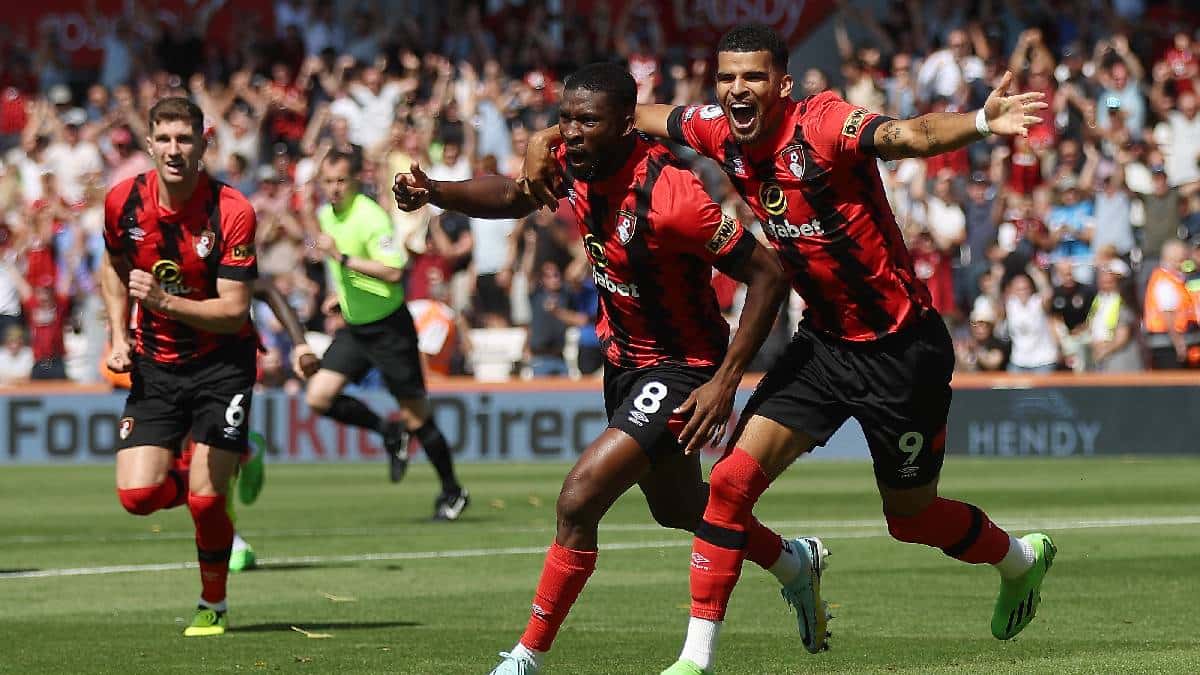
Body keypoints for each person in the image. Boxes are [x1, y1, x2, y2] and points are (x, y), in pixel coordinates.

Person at [523, 23, 1056, 673]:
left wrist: (978, 120)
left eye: (752, 77)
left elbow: (909, 135)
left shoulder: (826, 123)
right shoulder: (717, 129)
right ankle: (695, 660)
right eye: (727, 78)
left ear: (780, 83)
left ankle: (1020, 560)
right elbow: (624, 119)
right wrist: (545, 136)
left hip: (902, 349)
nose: (737, 89)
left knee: (911, 517)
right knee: (728, 484)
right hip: (825, 345)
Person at [394, 63, 806, 675]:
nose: (572, 132)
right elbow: (515, 196)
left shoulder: (674, 197)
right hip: (624, 363)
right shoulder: (574, 160)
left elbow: (769, 273)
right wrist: (436, 192)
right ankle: (795, 563)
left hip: (682, 367)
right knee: (676, 508)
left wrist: (726, 381)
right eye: (565, 118)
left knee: (579, 499)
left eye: (588, 121)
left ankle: (527, 656)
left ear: (623, 125)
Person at [100, 97, 259, 637]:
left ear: (203, 144)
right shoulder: (122, 202)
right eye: (164, 138)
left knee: (205, 498)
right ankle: (223, 458)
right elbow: (113, 266)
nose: (174, 149)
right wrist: (119, 335)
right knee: (137, 498)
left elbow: (234, 309)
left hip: (221, 364)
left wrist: (163, 303)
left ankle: (212, 604)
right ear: (148, 143)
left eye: (185, 139)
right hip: (155, 364)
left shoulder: (231, 210)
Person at [307, 150, 469, 518]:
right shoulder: (323, 216)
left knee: (417, 417)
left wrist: (345, 260)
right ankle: (388, 432)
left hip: (389, 329)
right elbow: (345, 272)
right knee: (318, 397)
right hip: (355, 327)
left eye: (340, 181)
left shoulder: (371, 217)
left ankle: (453, 491)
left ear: (354, 182)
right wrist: (339, 296)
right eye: (327, 181)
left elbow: (395, 272)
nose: (333, 188)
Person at [1143, 239, 1200, 369]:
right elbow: (1167, 313)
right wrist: (1178, 342)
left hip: (1172, 341)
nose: (1184, 263)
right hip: (1167, 345)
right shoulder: (1165, 281)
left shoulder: (1175, 279)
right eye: (1180, 259)